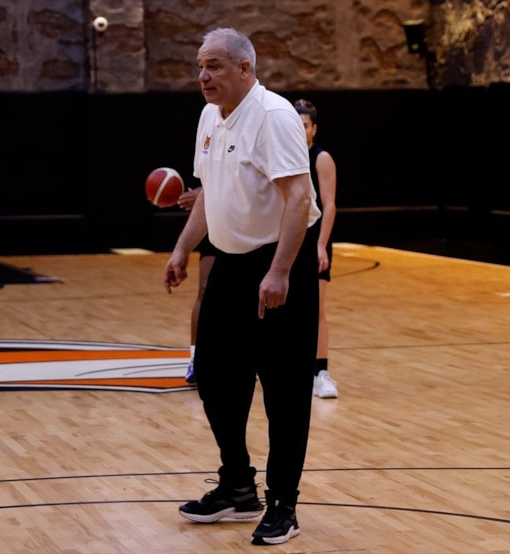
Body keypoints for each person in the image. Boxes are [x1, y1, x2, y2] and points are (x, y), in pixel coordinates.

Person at [163, 27, 321, 546]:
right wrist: (183, 248)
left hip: (278, 263)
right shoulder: (210, 115)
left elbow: (299, 199)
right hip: (230, 265)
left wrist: (279, 271)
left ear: (244, 69)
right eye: (200, 66)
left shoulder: (273, 116)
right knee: (213, 375)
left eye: (213, 65)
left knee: (283, 390)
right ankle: (236, 484)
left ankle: (283, 505)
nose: (203, 75)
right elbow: (210, 192)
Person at [294, 99, 339, 399]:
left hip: (314, 239)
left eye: (305, 126)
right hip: (288, 238)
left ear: (314, 129)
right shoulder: (283, 156)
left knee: (317, 307)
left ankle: (320, 372)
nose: (301, 130)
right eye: (296, 125)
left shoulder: (321, 158)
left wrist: (321, 244)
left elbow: (329, 205)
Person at [176, 184, 216, 384]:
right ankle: (196, 357)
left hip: (250, 223)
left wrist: (205, 191)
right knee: (205, 289)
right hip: (215, 220)